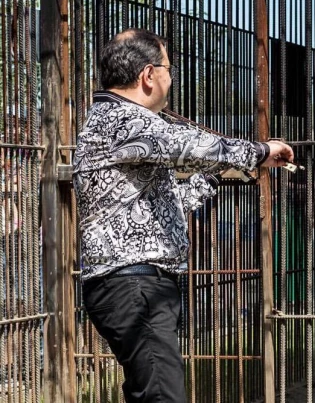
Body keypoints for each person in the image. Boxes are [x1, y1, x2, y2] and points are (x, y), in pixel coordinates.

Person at [73, 28, 294, 402]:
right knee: (163, 395)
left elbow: (167, 200)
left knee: (152, 391)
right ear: (148, 75)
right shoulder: (125, 120)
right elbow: (188, 144)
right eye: (168, 70)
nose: (170, 79)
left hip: (136, 285)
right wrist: (258, 150)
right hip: (133, 285)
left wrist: (219, 174)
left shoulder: (117, 121)